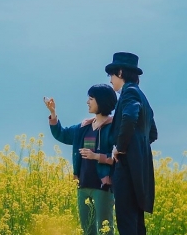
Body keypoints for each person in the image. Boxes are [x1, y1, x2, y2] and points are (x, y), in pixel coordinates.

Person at [44, 84, 118, 235]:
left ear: (102, 101)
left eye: (91, 99)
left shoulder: (114, 127)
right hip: (83, 186)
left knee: (105, 230)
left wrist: (97, 156)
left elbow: (119, 158)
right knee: (87, 231)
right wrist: (53, 113)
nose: (87, 102)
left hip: (102, 187)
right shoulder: (83, 127)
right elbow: (62, 134)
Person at [105, 52, 158, 235]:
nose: (110, 80)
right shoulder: (143, 97)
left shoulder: (129, 92)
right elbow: (152, 133)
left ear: (120, 72)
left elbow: (129, 116)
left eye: (111, 75)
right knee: (136, 224)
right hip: (140, 169)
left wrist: (120, 148)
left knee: (126, 222)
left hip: (127, 168)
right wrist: (138, 147)